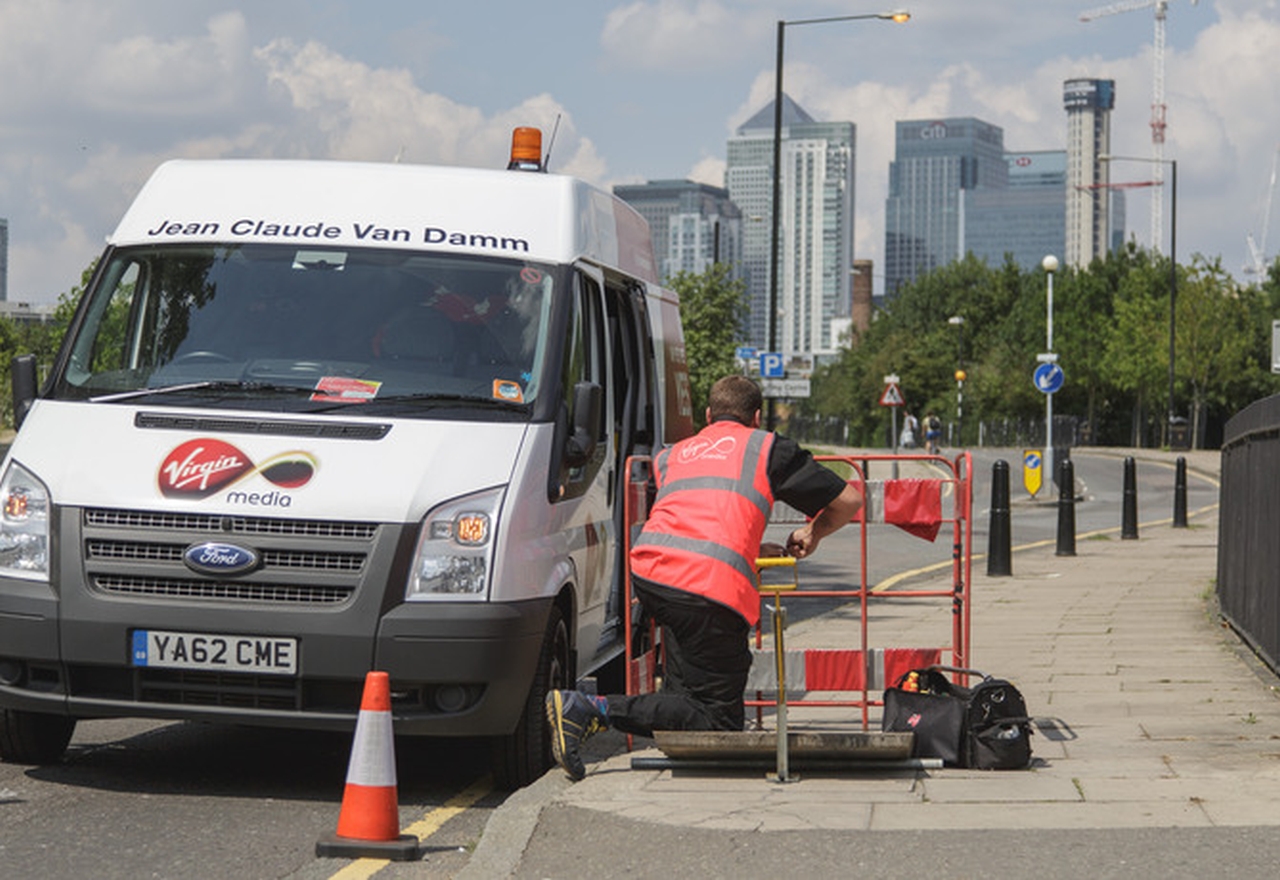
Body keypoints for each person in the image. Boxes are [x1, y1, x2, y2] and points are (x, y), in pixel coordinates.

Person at [544, 375, 864, 780]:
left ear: (708, 416)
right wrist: (811, 533)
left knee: (686, 699)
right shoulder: (766, 448)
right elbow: (849, 501)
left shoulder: (677, 452)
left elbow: (700, 516)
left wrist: (747, 548)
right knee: (717, 721)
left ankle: (663, 740)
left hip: (653, 573)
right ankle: (589, 709)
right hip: (706, 587)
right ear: (758, 417)